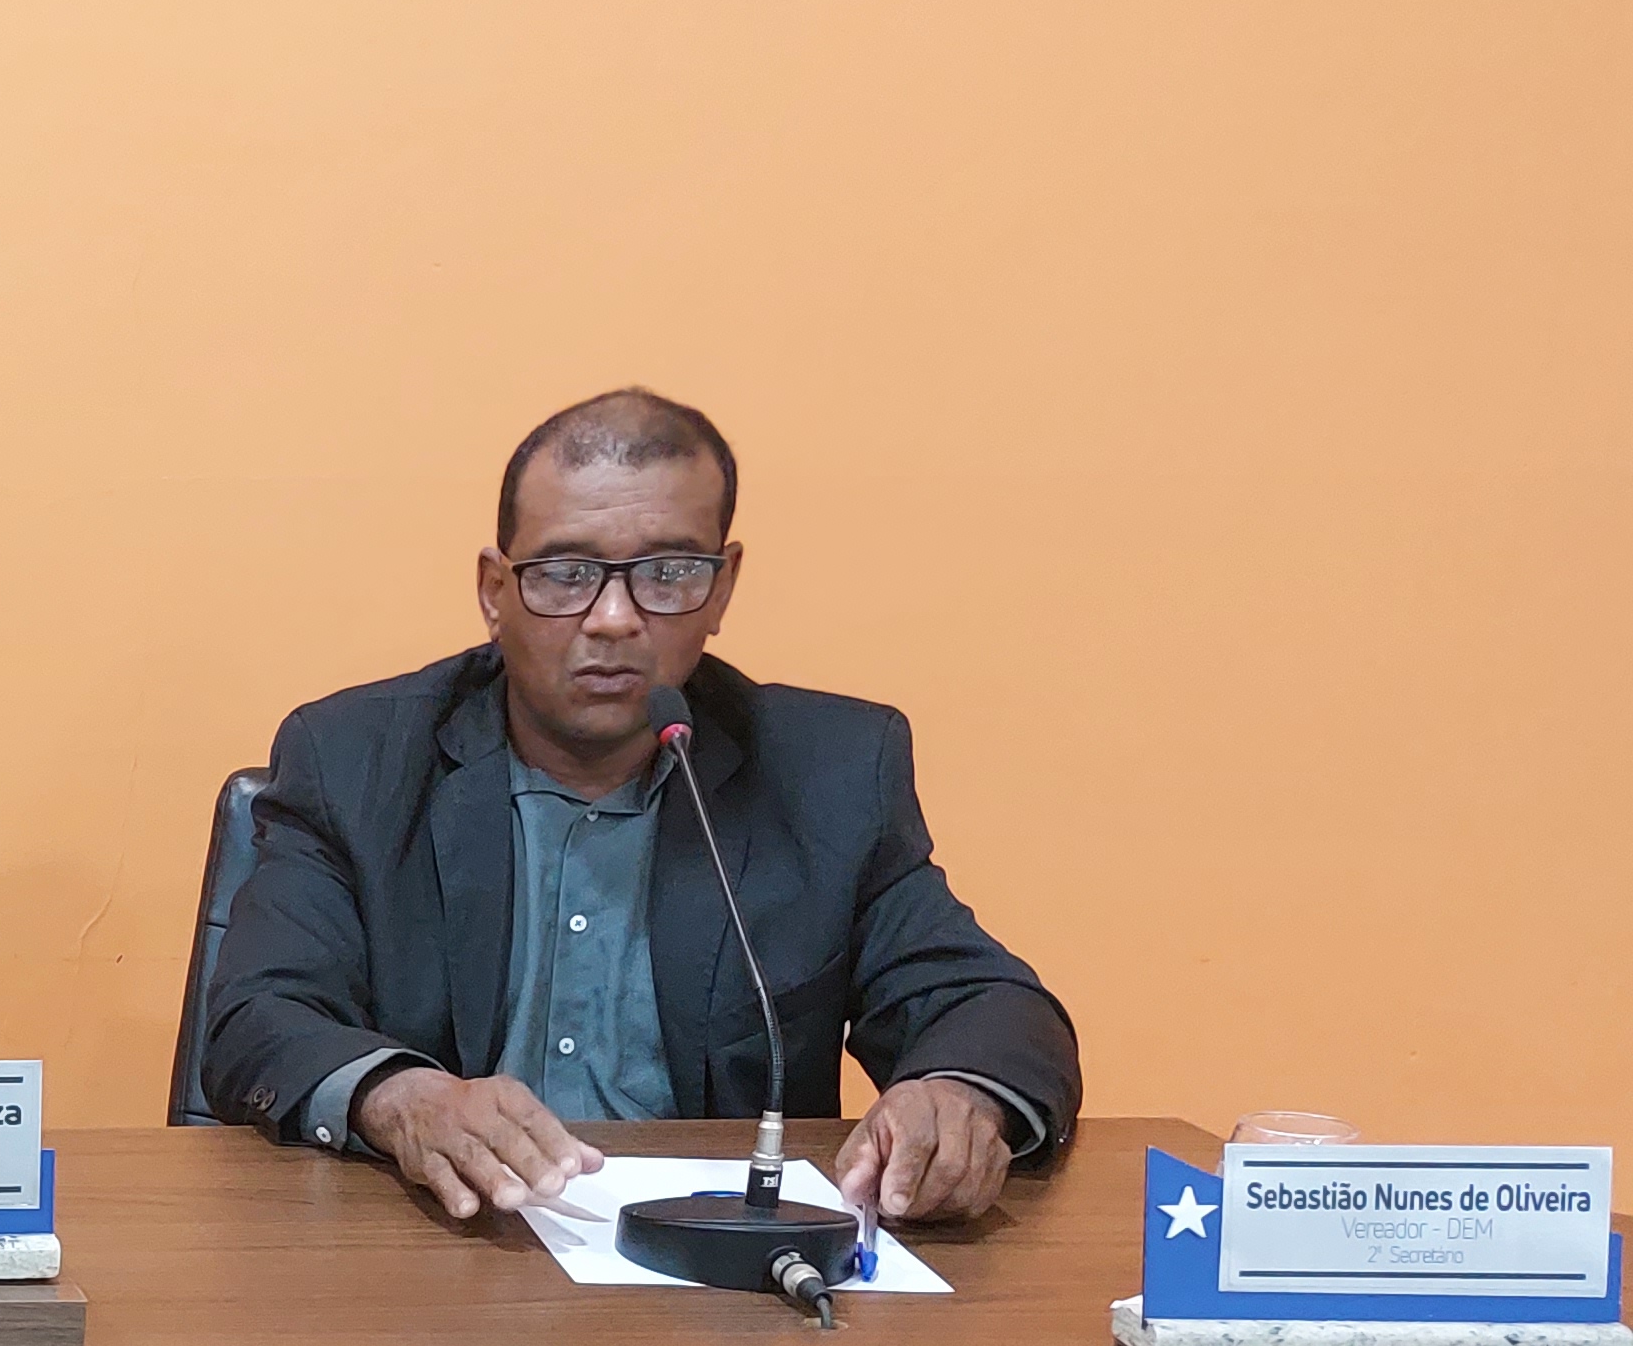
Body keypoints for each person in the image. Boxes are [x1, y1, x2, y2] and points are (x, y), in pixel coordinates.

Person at [198, 387, 1076, 1227]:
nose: (614, 618)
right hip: (435, 1245)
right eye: (566, 572)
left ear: (722, 588)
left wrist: (958, 1096)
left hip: (720, 1274)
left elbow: (987, 1004)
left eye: (668, 572)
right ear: (495, 591)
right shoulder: (355, 760)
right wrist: (400, 1097)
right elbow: (260, 1015)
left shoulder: (828, 774)